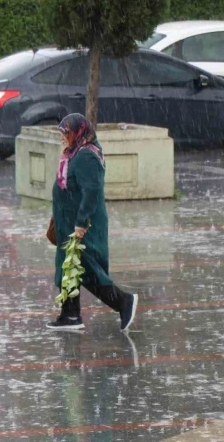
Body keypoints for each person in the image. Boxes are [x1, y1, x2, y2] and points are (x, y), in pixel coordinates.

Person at [46, 113, 138, 331]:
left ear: (78, 132)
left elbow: (91, 192)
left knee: (88, 270)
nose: (62, 137)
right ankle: (70, 315)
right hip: (67, 224)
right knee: (67, 268)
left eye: (65, 132)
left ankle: (124, 301)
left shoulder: (86, 156)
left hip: (82, 226)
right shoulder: (73, 153)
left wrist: (81, 222)